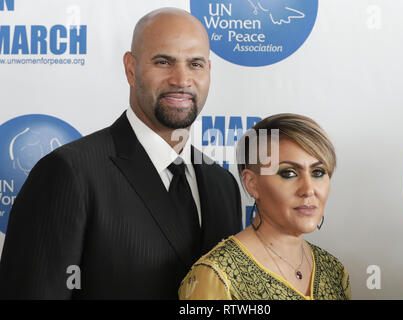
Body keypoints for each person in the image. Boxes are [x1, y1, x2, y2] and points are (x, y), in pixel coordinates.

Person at [0, 8, 242, 299]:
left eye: (195, 64)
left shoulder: (223, 184)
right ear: (130, 68)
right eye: (164, 61)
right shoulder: (69, 172)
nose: (181, 79)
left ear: (208, 72)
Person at [179, 113, 351, 300]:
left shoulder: (334, 271)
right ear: (252, 183)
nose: (309, 190)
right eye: (289, 173)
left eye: (318, 172)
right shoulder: (217, 277)